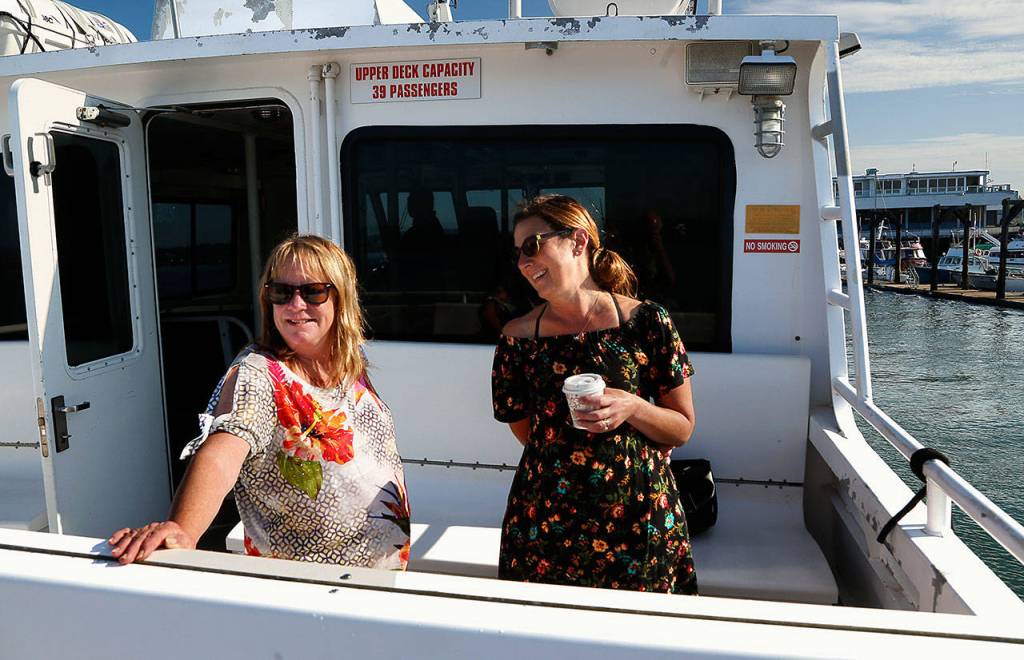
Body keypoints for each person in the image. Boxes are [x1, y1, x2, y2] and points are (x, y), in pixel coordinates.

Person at [109, 235, 410, 568]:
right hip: (307, 589)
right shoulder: (259, 374)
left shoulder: (351, 360)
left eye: (313, 292)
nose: (296, 305)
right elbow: (222, 452)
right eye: (281, 292)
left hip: (376, 579)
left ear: (341, 298)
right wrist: (183, 529)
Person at [491, 195, 698, 594]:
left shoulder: (646, 321)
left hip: (638, 519)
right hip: (546, 521)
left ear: (578, 241)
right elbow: (528, 434)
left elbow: (682, 428)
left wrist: (633, 406)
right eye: (517, 253)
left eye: (533, 246)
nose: (523, 263)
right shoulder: (516, 338)